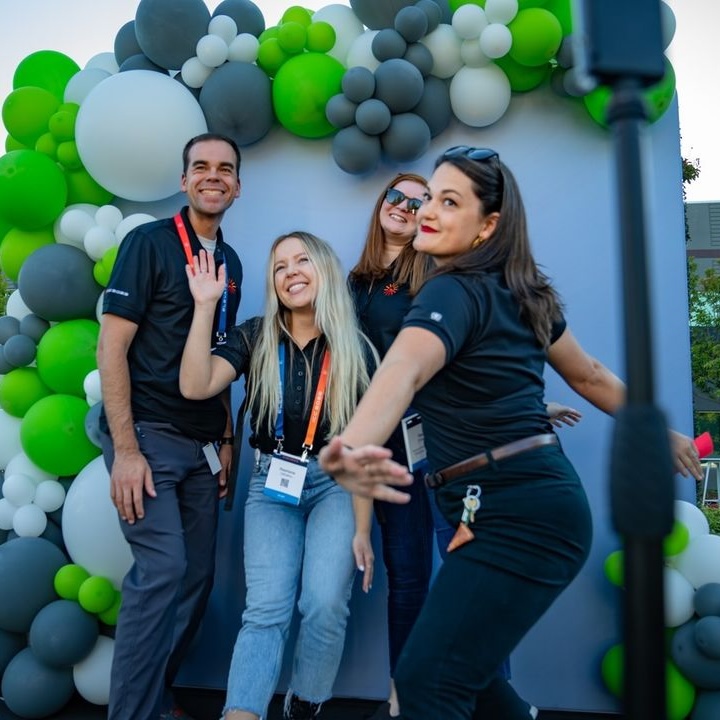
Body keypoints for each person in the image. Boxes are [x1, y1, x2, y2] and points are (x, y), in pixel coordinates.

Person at [320, 146, 703, 719]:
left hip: (513, 510)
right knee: (466, 674)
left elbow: (404, 369)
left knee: (427, 681)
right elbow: (589, 375)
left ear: (488, 225)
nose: (427, 209)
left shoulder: (450, 290)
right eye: (430, 196)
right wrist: (657, 431)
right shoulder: (523, 291)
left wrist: (350, 446)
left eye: (449, 202)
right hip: (534, 506)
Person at [349, 173, 582, 720]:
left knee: (469, 574)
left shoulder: (440, 273)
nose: (409, 206)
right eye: (398, 196)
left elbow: (466, 353)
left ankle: (490, 696)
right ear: (381, 204)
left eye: (422, 198)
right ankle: (403, 694)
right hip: (389, 445)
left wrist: (524, 407)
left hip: (445, 444)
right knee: (406, 578)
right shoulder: (355, 284)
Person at [179, 232, 377, 720]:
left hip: (338, 483)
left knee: (324, 604)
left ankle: (305, 705)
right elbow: (195, 384)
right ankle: (241, 713)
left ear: (325, 270)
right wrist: (206, 306)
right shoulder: (255, 335)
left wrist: (364, 529)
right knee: (265, 610)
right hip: (272, 483)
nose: (290, 272)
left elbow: (365, 447)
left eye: (302, 261)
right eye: (280, 266)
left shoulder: (358, 347)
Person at [96, 132, 243, 720]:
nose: (213, 176)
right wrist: (126, 450)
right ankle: (131, 714)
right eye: (201, 167)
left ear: (237, 184)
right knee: (163, 570)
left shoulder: (230, 262)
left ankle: (154, 698)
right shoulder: (149, 243)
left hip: (205, 442)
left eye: (225, 168)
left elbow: (222, 357)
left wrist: (227, 439)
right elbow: (111, 349)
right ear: (184, 181)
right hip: (148, 434)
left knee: (198, 578)